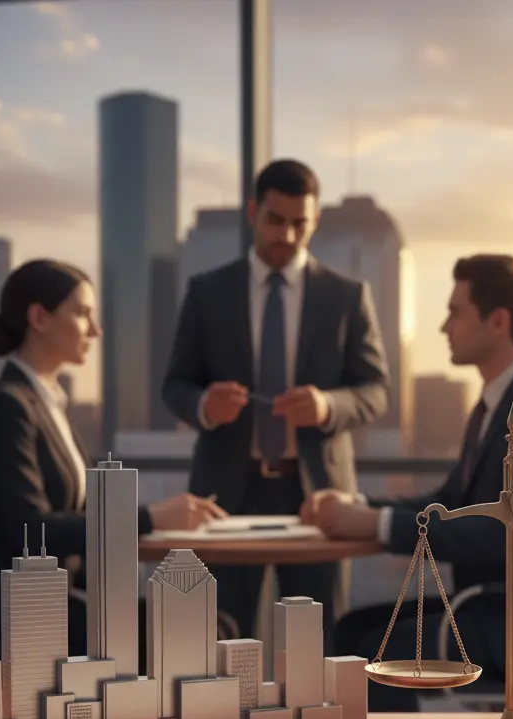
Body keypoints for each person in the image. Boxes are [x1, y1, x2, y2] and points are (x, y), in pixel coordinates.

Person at [302, 254, 513, 710]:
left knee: (376, 654)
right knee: (352, 631)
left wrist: (376, 525)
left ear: (498, 321)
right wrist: (359, 505)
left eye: (456, 311)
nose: (444, 327)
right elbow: (449, 502)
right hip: (487, 605)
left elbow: (507, 535)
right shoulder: (491, 407)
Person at [163, 159, 390, 644]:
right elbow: (175, 385)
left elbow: (375, 391)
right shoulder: (207, 293)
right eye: (276, 220)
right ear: (253, 211)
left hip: (316, 497)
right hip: (225, 494)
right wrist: (205, 406)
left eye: (299, 224)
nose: (287, 235)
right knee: (218, 645)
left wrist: (328, 406)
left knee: (314, 648)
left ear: (315, 222)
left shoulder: (347, 296)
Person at [0, 258, 225, 660]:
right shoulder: (6, 408)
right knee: (195, 629)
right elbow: (32, 531)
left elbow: (77, 512)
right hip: (14, 605)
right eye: (82, 314)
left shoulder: (48, 405)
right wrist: (151, 518)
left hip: (60, 596)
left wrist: (160, 518)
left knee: (214, 624)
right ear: (39, 318)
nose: (95, 330)